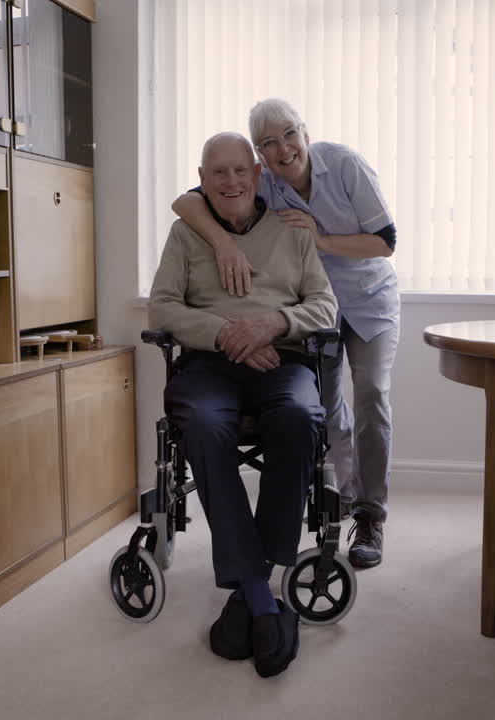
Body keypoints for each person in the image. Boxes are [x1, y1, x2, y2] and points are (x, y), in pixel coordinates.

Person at [172, 98, 399, 569]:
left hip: (366, 298)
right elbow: (188, 201)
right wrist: (222, 247)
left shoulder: (345, 166)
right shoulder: (262, 182)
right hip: (315, 311)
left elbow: (386, 241)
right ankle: (340, 499)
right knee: (328, 409)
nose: (283, 149)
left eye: (289, 134)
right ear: (261, 156)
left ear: (305, 133)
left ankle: (371, 513)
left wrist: (321, 240)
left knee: (371, 394)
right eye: (268, 143)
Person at [148, 131, 338, 678]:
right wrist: (229, 333)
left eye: (239, 171)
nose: (230, 181)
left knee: (302, 417)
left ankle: (251, 588)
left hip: (280, 360)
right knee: (205, 424)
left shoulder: (292, 233)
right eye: (217, 173)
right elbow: (162, 306)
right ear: (201, 181)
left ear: (257, 175)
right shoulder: (186, 236)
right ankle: (259, 594)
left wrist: (274, 324)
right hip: (209, 364)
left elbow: (323, 303)